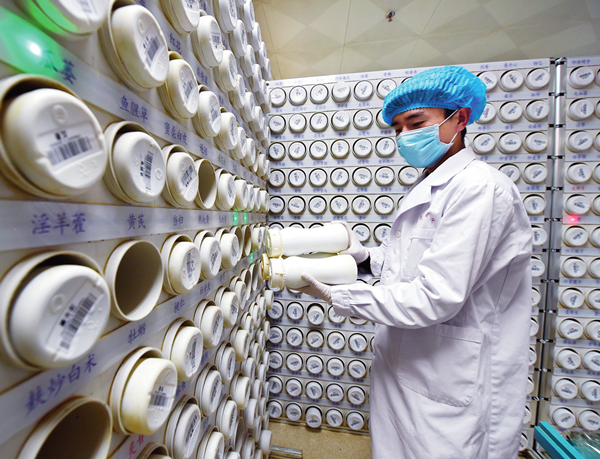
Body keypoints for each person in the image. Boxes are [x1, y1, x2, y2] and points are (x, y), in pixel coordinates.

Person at [300, 66, 532, 459]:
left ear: (460, 118)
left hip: (449, 381)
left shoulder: (480, 189)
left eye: (416, 123)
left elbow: (437, 295)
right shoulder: (431, 184)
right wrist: (365, 259)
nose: (405, 136)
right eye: (397, 128)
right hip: (409, 367)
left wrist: (344, 296)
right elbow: (411, 265)